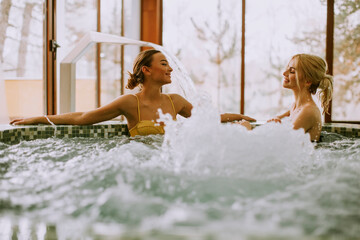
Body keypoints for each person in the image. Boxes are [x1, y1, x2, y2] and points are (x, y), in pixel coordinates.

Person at [10, 49, 255, 136]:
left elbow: (209, 119)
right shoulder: (129, 103)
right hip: (139, 162)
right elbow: (83, 118)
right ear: (147, 70)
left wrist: (239, 117)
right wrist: (41, 118)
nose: (170, 69)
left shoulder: (176, 101)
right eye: (163, 64)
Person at [267, 53, 333, 141]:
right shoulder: (296, 106)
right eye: (287, 69)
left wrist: (247, 130)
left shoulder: (308, 111)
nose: (284, 73)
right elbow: (283, 116)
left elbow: (282, 143)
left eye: (292, 71)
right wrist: (277, 118)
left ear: (308, 81)